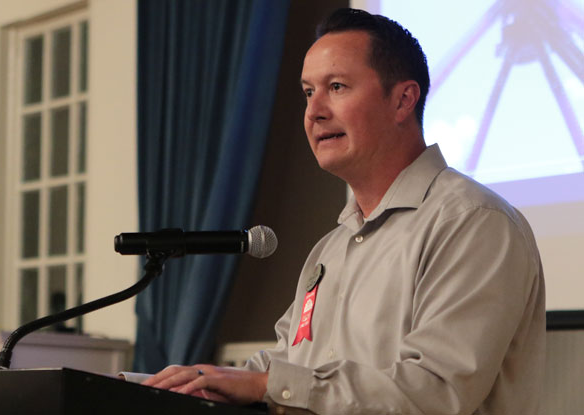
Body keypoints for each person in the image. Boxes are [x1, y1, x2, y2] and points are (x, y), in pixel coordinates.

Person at [141, 8, 545, 414]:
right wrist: (171, 385)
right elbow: (285, 367)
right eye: (308, 92)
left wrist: (268, 384)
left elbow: (435, 391)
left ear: (403, 100)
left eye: (336, 87)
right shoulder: (331, 249)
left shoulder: (472, 221)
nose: (314, 111)